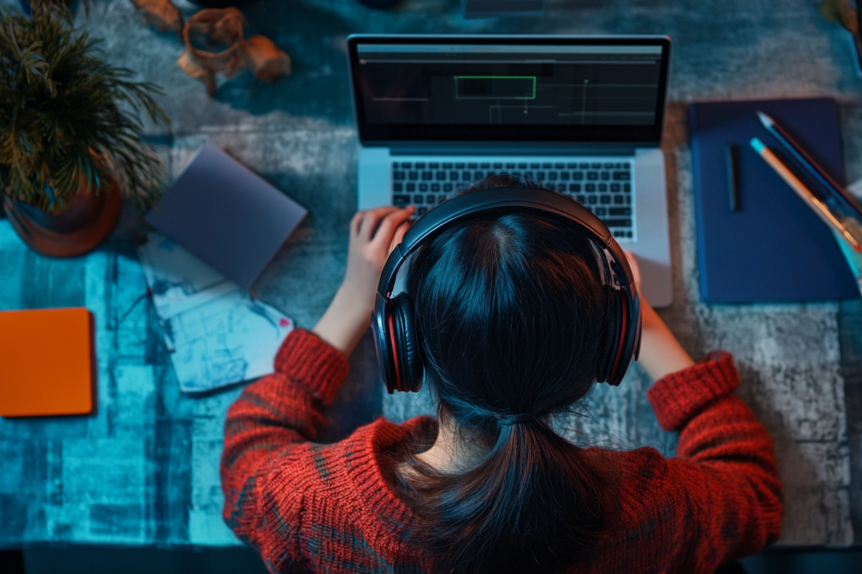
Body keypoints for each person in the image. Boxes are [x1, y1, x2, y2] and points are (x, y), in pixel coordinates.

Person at [220, 176, 782, 574]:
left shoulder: (311, 506)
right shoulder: (657, 515)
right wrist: (645, 327)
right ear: (611, 343)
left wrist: (349, 305)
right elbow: (754, 494)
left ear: (403, 343)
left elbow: (249, 454)